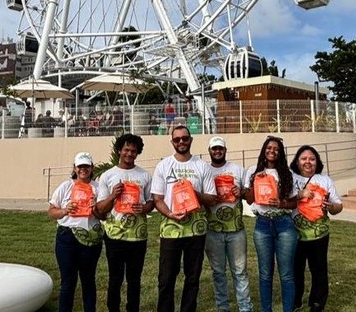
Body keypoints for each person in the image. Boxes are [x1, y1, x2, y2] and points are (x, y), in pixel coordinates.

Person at [151, 125, 217, 312]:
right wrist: (169, 213)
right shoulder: (164, 165)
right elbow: (157, 199)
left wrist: (193, 192)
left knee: (192, 277)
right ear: (172, 142)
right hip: (171, 229)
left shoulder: (201, 166)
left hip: (196, 230)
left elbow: (212, 199)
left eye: (185, 138)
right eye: (177, 139)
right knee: (166, 278)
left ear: (191, 140)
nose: (181, 142)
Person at [96, 134, 154, 312]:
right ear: (119, 150)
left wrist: (144, 208)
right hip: (114, 236)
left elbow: (151, 202)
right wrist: (113, 196)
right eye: (126, 150)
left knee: (134, 279)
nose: (129, 154)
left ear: (138, 153)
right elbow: (100, 208)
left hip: (137, 237)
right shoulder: (108, 175)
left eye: (134, 151)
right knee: (115, 278)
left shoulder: (144, 175)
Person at [244, 136, 298, 312]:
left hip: (284, 224)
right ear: (264, 150)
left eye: (276, 149)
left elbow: (294, 202)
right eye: (269, 148)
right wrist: (254, 182)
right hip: (263, 225)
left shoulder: (286, 174)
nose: (272, 151)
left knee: (287, 274)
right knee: (265, 274)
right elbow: (249, 199)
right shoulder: (253, 170)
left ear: (280, 153)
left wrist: (281, 203)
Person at [48, 152, 104, 312]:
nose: (83, 169)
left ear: (92, 168)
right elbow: (51, 212)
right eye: (80, 166)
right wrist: (65, 210)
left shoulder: (98, 188)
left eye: (86, 166)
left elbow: (104, 217)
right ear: (74, 168)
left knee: (88, 280)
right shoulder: (65, 186)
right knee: (68, 282)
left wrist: (96, 208)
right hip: (67, 237)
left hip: (90, 238)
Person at [289, 145, 343, 312]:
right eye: (304, 158)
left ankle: (317, 304)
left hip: (319, 235)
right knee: (295, 270)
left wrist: (332, 207)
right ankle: (295, 300)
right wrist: (299, 195)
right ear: (297, 162)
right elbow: (284, 201)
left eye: (312, 159)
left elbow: (338, 206)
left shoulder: (325, 180)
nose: (308, 162)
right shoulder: (290, 178)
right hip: (294, 234)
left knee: (319, 271)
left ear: (317, 162)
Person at [204, 136, 253, 312]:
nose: (217, 151)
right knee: (218, 273)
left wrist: (241, 192)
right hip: (212, 230)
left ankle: (245, 307)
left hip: (236, 230)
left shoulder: (237, 170)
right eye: (214, 149)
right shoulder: (204, 170)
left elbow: (249, 196)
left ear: (225, 150)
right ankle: (223, 307)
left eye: (220, 149)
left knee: (240, 272)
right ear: (209, 150)